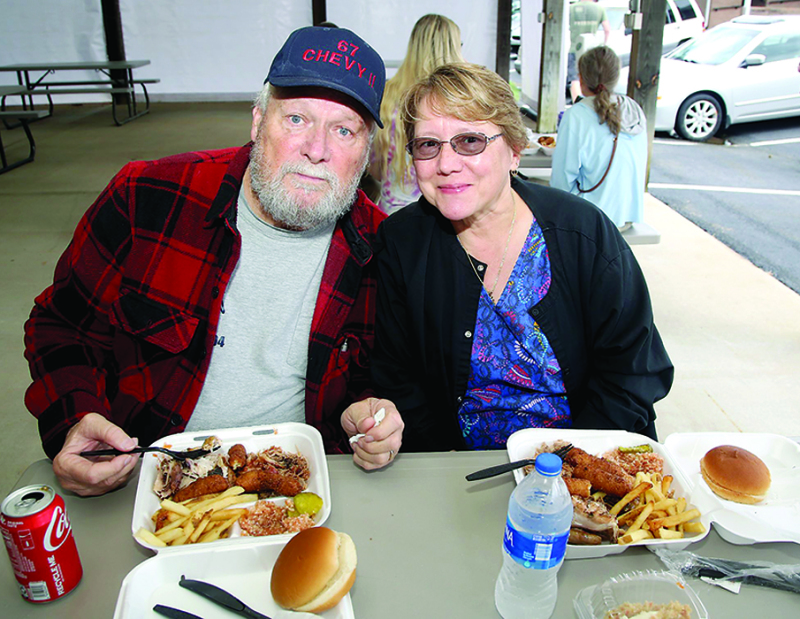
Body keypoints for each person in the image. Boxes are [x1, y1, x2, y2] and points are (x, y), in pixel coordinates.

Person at [23, 26, 404, 496]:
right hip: (144, 483)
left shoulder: (381, 247)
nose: (318, 149)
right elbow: (61, 325)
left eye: (344, 130)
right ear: (257, 120)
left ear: (366, 154)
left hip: (295, 489)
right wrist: (76, 418)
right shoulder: (149, 198)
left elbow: (369, 377)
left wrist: (366, 412)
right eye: (297, 119)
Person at [348, 62, 672, 452]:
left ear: (515, 151)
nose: (446, 164)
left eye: (470, 141)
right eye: (428, 145)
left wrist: (573, 469)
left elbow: (634, 374)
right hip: (457, 471)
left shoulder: (583, 234)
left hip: (586, 462)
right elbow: (397, 379)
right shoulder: (401, 243)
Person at [368, 14, 465, 215]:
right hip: (444, 214)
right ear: (454, 48)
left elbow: (376, 171)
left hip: (392, 215)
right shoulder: (463, 101)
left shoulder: (386, 96)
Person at [550, 45, 647, 228]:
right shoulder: (634, 109)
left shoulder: (577, 115)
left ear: (581, 78)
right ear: (616, 77)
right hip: (627, 217)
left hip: (591, 221)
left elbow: (561, 182)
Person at [568, 0, 610, 103]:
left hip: (575, 48)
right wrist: (603, 45)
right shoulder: (599, 9)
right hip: (591, 50)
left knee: (575, 79)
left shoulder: (571, 8)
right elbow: (607, 29)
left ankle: (577, 105)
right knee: (592, 80)